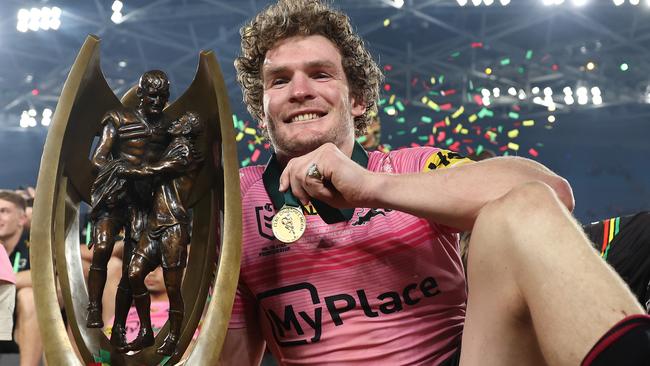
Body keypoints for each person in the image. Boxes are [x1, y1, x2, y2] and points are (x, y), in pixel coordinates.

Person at [222, 1, 650, 365]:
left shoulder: (416, 167)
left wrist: (372, 186)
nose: (299, 90)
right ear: (261, 112)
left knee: (518, 207)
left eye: (320, 74)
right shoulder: (234, 202)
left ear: (357, 100)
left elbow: (551, 194)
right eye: (279, 80)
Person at [85, 70, 172, 351]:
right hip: (114, 195)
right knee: (101, 247)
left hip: (143, 204)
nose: (157, 101)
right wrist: (123, 169)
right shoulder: (118, 119)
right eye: (152, 96)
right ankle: (94, 306)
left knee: (129, 272)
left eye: (162, 97)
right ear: (141, 95)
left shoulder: (167, 128)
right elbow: (99, 157)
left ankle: (120, 328)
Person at [116, 111, 204, 355]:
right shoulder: (172, 146)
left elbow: (157, 169)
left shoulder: (185, 151)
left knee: (173, 288)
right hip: (154, 225)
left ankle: (175, 337)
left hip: (173, 226)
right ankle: (146, 331)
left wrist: (128, 170)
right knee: (133, 274)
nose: (174, 123)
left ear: (187, 128)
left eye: (180, 121)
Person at [0, 190, 42, 366]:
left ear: (22, 219)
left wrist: (6, 280)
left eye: (4, 211)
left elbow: (46, 279)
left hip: (25, 321)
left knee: (29, 296)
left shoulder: (37, 245)